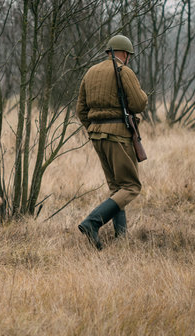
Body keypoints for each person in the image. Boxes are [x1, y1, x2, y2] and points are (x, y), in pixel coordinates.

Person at [76, 34, 148, 250]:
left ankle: (121, 238)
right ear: (124, 54)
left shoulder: (91, 72)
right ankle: (92, 223)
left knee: (117, 188)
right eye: (129, 56)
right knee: (131, 186)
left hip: (98, 136)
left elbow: (81, 109)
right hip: (118, 135)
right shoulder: (123, 71)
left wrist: (93, 128)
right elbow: (139, 103)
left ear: (109, 52)